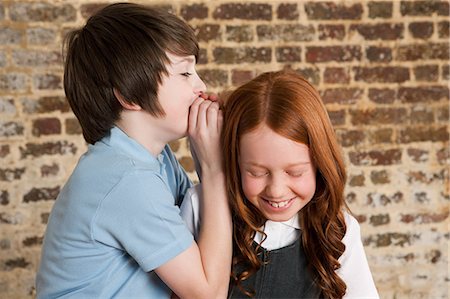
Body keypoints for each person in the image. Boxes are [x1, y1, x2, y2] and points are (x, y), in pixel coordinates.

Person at [36, 3, 232, 299]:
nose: (200, 86)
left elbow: (200, 226)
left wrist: (205, 156)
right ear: (129, 94)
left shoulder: (155, 159)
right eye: (185, 73)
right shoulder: (127, 178)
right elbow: (208, 293)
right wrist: (215, 169)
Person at [181, 70, 379, 298]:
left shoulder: (338, 230)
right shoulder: (200, 206)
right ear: (235, 161)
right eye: (256, 172)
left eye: (295, 172)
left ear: (319, 164)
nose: (276, 190)